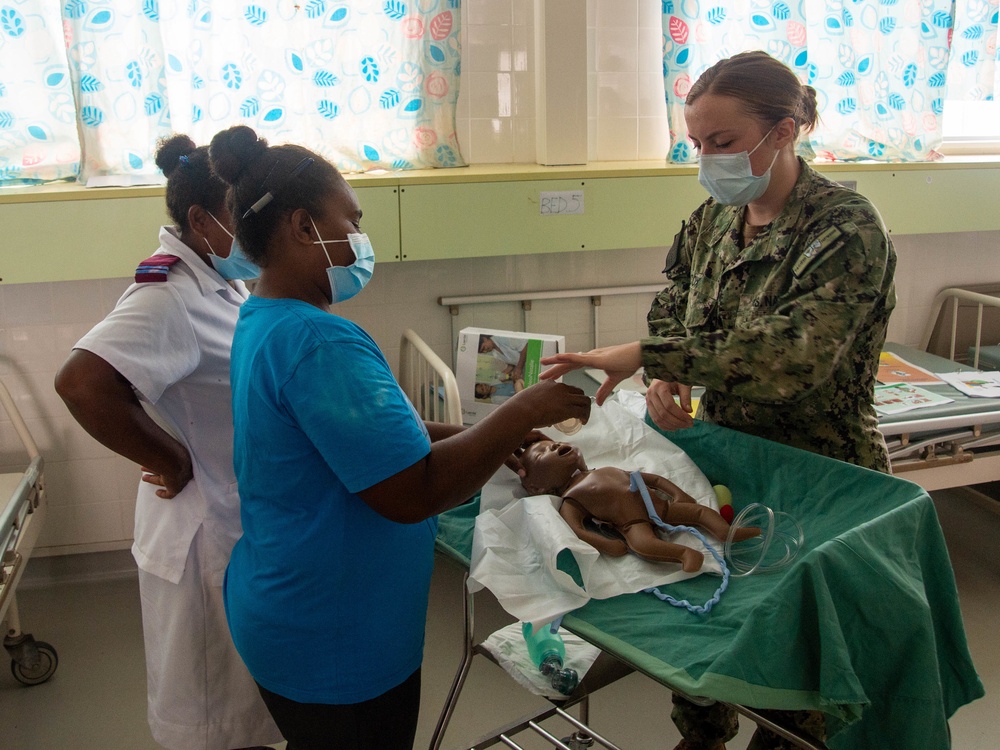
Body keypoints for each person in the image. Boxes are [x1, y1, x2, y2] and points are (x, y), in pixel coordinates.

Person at [540, 50, 896, 750]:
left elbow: (792, 359)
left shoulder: (846, 230)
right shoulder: (709, 223)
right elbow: (675, 311)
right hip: (728, 455)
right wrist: (671, 377)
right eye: (697, 144)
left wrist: (650, 357)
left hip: (819, 473)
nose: (707, 159)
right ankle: (701, 733)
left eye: (723, 143)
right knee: (710, 608)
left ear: (785, 132)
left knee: (797, 660)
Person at [207, 125, 591, 750]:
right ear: (305, 227)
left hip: (288, 607)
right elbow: (412, 492)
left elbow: (367, 438)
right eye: (351, 222)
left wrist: (489, 436)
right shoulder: (319, 341)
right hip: (337, 637)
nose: (361, 240)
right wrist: (521, 410)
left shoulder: (265, 318)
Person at [54, 135, 281, 750]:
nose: (261, 234)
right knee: (213, 719)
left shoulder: (221, 280)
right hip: (200, 534)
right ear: (203, 222)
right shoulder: (167, 296)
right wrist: (168, 456)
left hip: (233, 524)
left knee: (241, 709)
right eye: (247, 218)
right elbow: (82, 382)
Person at [517, 438, 758, 572]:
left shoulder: (604, 470)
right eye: (542, 454)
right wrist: (608, 544)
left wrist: (678, 493)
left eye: (553, 442)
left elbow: (651, 479)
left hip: (658, 504)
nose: (555, 446)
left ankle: (726, 532)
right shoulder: (571, 498)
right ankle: (685, 553)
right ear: (539, 487)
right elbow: (577, 530)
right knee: (644, 543)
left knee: (700, 512)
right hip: (633, 523)